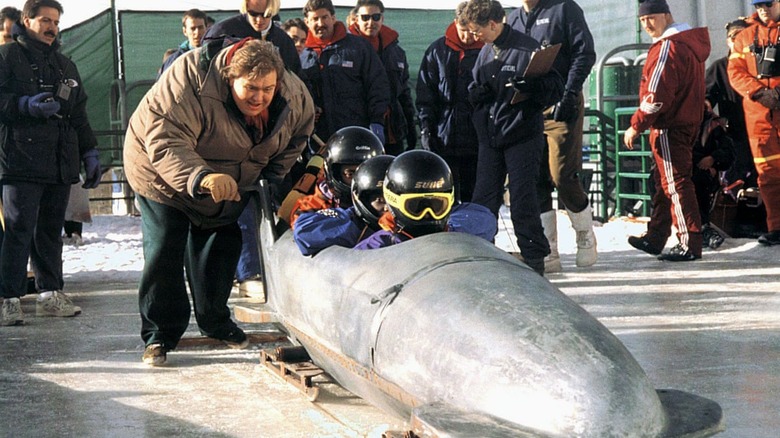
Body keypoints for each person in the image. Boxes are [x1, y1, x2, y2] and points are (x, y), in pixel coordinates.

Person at [123, 39, 315, 366]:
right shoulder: (187, 79)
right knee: (165, 245)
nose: (260, 97)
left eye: (268, 89)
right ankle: (159, 333)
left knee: (222, 243)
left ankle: (215, 320)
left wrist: (271, 173)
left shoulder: (293, 94)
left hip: (233, 174)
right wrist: (201, 177)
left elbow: (300, 133)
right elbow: (166, 140)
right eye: (250, 88)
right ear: (229, 77)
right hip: (160, 171)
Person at [0, 0, 101, 326]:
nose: (51, 27)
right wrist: (23, 104)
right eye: (45, 20)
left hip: (59, 161)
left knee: (49, 232)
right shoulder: (6, 57)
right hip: (20, 160)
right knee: (17, 230)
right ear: (26, 21)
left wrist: (89, 152)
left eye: (56, 22)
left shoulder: (64, 66)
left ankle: (50, 294)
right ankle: (8, 299)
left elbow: (79, 113)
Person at [461, 0, 564, 276]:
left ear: (492, 24)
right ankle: (481, 254)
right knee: (483, 201)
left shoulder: (528, 49)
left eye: (476, 31)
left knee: (522, 200)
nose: (473, 36)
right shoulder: (484, 52)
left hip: (521, 135)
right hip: (490, 137)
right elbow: (474, 87)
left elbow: (555, 88)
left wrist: (534, 87)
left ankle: (534, 259)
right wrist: (476, 95)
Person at [507, 0, 597, 272]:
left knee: (561, 173)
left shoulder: (564, 9)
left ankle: (585, 234)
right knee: (535, 177)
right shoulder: (512, 19)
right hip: (531, 105)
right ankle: (548, 250)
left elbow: (585, 52)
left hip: (561, 101)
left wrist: (570, 93)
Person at [624, 0, 710, 261]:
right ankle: (656, 236)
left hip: (669, 126)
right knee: (666, 183)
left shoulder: (668, 46)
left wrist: (635, 125)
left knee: (676, 184)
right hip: (685, 122)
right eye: (642, 21)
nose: (647, 25)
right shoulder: (690, 44)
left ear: (666, 15)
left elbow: (657, 95)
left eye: (651, 18)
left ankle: (689, 242)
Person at [355, 149, 497, 249]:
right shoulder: (380, 245)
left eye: (437, 206)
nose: (428, 214)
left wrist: (453, 230)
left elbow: (485, 219)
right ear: (394, 203)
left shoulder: (454, 230)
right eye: (416, 206)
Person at [416, 2, 484, 203]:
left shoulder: (487, 50)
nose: (467, 37)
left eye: (472, 31)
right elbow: (425, 95)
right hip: (444, 138)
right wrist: (426, 130)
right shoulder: (437, 51)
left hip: (477, 139)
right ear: (455, 23)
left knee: (477, 199)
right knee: (444, 198)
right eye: (463, 30)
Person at [299, 0, 390, 143]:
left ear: (333, 18)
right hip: (317, 138)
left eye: (325, 17)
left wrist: (377, 121)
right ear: (307, 22)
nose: (320, 23)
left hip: (355, 133)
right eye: (315, 19)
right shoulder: (302, 55)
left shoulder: (358, 47)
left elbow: (378, 85)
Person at [727, 1, 780, 246]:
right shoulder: (745, 36)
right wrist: (759, 92)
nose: (763, 8)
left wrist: (777, 94)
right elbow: (736, 72)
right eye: (758, 4)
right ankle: (776, 228)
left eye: (768, 3)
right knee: (767, 174)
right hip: (759, 115)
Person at [349, 0, 417, 156]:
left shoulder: (396, 52)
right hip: (359, 128)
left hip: (392, 130)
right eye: (365, 17)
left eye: (375, 17)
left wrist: (411, 126)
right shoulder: (346, 50)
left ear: (382, 19)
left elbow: (404, 92)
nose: (370, 22)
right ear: (356, 19)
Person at [293, 154, 393, 255]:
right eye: (380, 200)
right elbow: (304, 233)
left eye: (391, 200)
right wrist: (356, 224)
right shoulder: (352, 219)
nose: (387, 207)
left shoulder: (401, 226)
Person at [288, 126, 384, 226]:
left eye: (366, 174)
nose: (358, 180)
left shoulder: (387, 202)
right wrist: (354, 215)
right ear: (335, 173)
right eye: (350, 174)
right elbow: (304, 230)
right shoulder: (311, 207)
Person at [706, 19, 756, 192]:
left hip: (762, 133)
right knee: (736, 186)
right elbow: (707, 96)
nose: (737, 41)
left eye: (743, 36)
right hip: (736, 137)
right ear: (728, 41)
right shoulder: (719, 67)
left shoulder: (762, 65)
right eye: (733, 37)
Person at [204, 0, 300, 74]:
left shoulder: (284, 41)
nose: (259, 20)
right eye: (253, 13)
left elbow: (297, 77)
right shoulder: (222, 31)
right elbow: (204, 69)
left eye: (266, 15)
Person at [158, 9, 208, 76]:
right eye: (193, 28)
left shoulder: (215, 56)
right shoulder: (175, 60)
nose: (197, 32)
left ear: (207, 28)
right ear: (185, 31)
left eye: (200, 27)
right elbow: (162, 84)